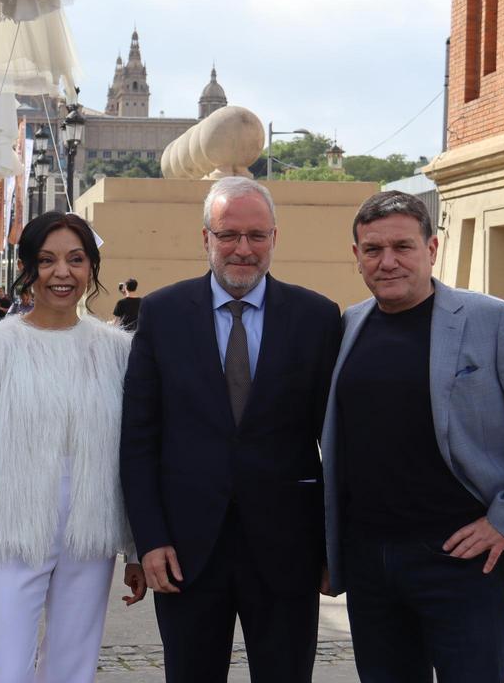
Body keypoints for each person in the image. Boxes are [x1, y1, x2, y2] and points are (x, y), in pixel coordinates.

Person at [322, 191, 504, 683]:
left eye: (403, 246)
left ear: (432, 249)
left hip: (461, 560)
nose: (388, 261)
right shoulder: (349, 325)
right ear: (357, 257)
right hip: (368, 562)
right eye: (373, 250)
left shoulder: (494, 320)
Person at [121, 176, 342, 683]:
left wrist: (333, 548)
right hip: (185, 552)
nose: (243, 249)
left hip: (289, 550)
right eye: (228, 235)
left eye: (256, 235)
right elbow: (138, 440)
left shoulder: (316, 317)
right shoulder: (162, 314)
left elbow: (337, 443)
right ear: (206, 239)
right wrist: (148, 540)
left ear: (274, 238)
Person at [0, 211, 146, 683]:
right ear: (29, 268)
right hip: (9, 532)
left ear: (92, 268)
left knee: (73, 669)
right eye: (47, 260)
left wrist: (133, 548)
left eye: (76, 259)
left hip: (92, 533)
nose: (62, 273)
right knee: (5, 669)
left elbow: (132, 456)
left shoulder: (117, 352)